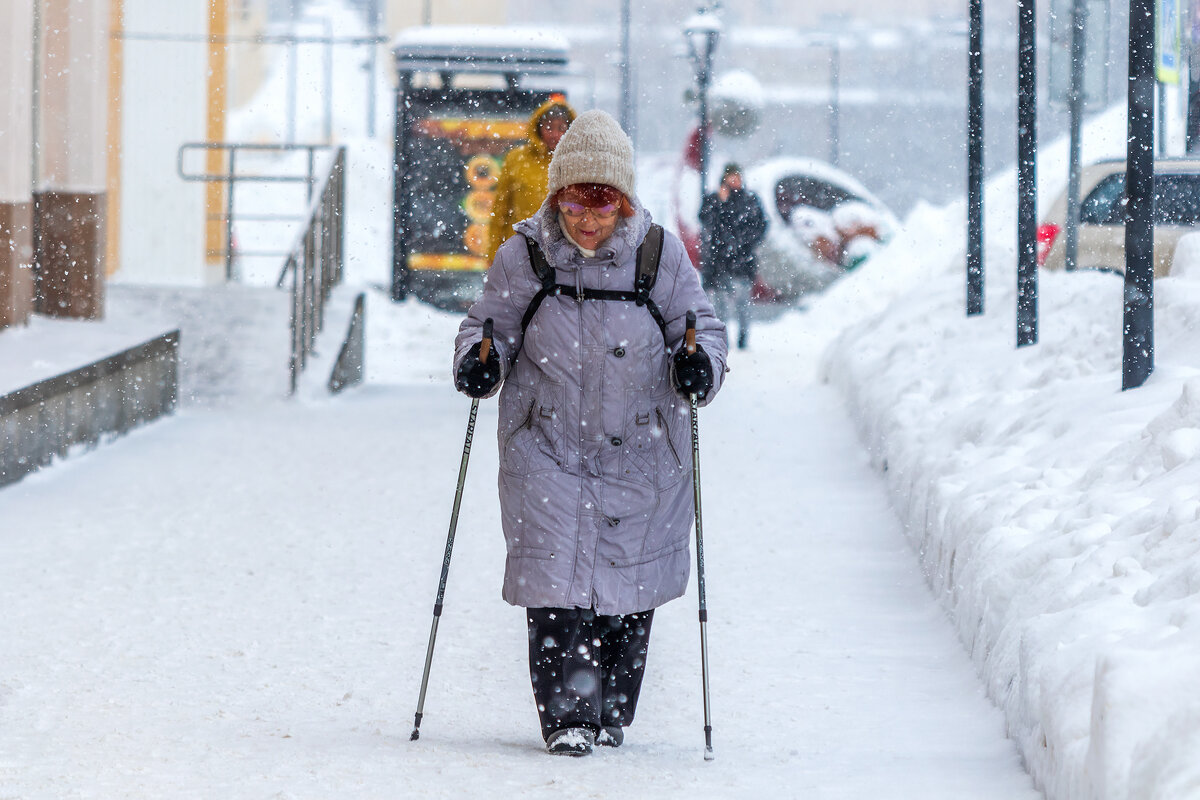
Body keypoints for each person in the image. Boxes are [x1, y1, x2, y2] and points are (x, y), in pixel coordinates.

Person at [452, 110, 728, 757]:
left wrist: (698, 367)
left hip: (641, 455)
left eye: (603, 202)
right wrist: (479, 359)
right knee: (557, 586)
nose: (587, 218)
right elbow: (486, 325)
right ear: (557, 196)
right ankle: (567, 713)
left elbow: (703, 330)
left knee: (628, 596)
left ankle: (609, 707)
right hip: (544, 448)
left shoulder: (658, 258)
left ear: (624, 201)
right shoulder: (524, 257)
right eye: (576, 200)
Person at [486, 98, 577, 262]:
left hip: (562, 258)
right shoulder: (516, 159)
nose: (555, 134)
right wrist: (494, 255)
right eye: (549, 127)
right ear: (538, 128)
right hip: (519, 253)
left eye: (561, 128)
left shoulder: (577, 163)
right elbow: (501, 210)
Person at [698, 163, 768, 349]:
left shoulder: (750, 200)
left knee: (743, 302)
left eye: (737, 176)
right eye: (731, 177)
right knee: (720, 304)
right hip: (719, 262)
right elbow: (706, 221)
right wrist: (720, 203)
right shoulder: (714, 199)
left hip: (743, 261)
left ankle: (743, 339)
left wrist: (745, 243)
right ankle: (722, 339)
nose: (735, 180)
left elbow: (761, 226)